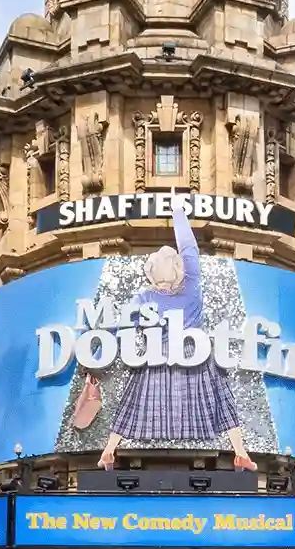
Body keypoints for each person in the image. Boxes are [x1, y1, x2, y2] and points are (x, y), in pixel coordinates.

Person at [96, 201, 257, 472]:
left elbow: (115, 327)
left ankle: (108, 451)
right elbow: (190, 248)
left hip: (157, 360)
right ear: (178, 268)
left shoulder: (144, 297)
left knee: (133, 402)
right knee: (221, 398)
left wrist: (96, 362)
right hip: (195, 356)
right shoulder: (191, 286)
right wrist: (179, 213)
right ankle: (240, 452)